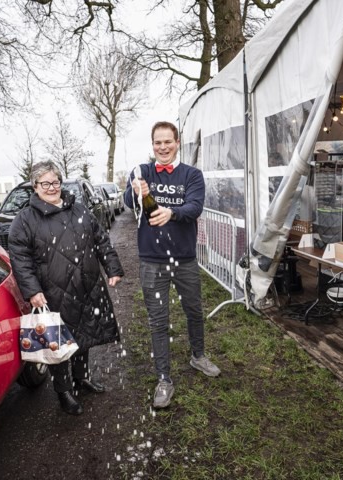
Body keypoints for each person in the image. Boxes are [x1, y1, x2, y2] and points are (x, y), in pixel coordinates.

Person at [8, 161, 123, 416]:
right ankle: (64, 391)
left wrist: (113, 268)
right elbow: (20, 259)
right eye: (45, 183)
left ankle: (81, 378)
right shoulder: (25, 219)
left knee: (85, 335)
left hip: (87, 284)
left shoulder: (79, 210)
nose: (52, 187)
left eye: (55, 182)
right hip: (52, 292)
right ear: (35, 187)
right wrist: (32, 291)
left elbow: (101, 240)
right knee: (58, 344)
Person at [123, 120, 221, 410]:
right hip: (151, 261)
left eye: (168, 142)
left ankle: (198, 355)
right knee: (158, 320)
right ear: (152, 145)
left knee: (194, 310)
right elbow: (130, 204)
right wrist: (136, 192)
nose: (163, 147)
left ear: (177, 143)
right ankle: (164, 378)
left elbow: (194, 207)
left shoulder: (191, 174)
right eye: (158, 143)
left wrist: (172, 213)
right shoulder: (142, 172)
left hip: (185, 259)